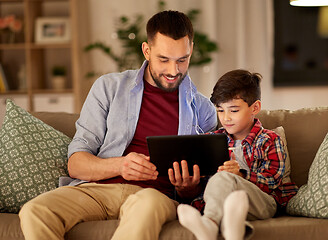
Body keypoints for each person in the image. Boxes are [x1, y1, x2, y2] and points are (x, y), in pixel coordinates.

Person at [19, 10, 217, 240]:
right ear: (147, 50)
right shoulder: (108, 88)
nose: (173, 71)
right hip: (96, 191)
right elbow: (76, 164)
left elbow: (205, 187)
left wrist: (187, 188)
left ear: (190, 50)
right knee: (35, 210)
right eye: (164, 59)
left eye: (182, 60)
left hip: (153, 196)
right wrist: (120, 165)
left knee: (148, 205)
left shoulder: (203, 110)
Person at [177, 69, 298, 240]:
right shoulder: (209, 141)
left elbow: (272, 181)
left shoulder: (270, 140)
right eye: (220, 110)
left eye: (233, 110)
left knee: (222, 178)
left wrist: (240, 174)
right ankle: (231, 228)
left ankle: (209, 224)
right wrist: (190, 184)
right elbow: (203, 186)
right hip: (224, 203)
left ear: (255, 107)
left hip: (262, 202)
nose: (225, 118)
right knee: (234, 201)